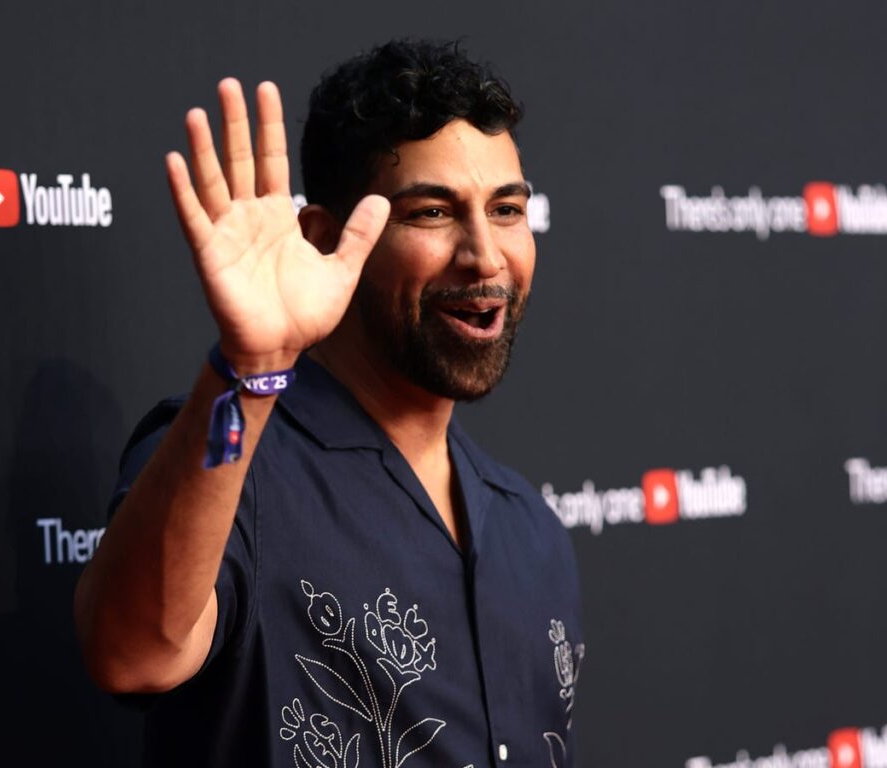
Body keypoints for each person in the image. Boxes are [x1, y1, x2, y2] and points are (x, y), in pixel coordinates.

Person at [74, 39, 585, 767]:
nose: (485, 254)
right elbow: (132, 654)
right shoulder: (232, 460)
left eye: (506, 209)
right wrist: (250, 367)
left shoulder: (531, 530)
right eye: (432, 212)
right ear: (322, 239)